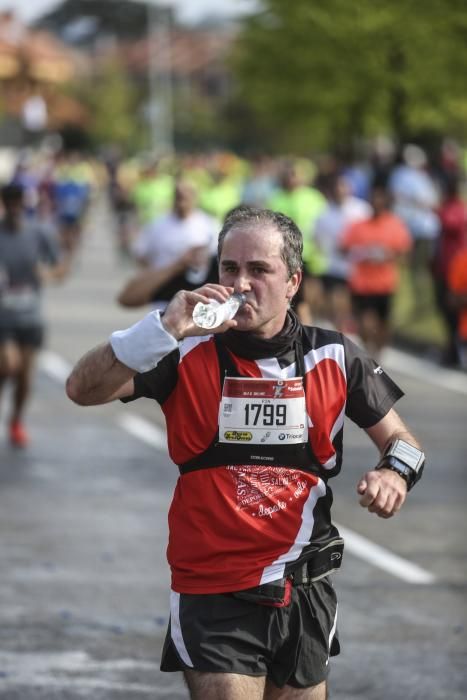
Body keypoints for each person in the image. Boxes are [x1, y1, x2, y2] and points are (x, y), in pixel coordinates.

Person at [66, 205, 425, 700]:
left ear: (293, 281)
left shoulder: (335, 355)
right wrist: (160, 330)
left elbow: (405, 445)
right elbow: (81, 389)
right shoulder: (180, 349)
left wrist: (394, 474)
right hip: (215, 589)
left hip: (305, 587)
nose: (241, 283)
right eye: (230, 268)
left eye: (259, 270)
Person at [0, 183, 69, 447]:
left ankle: (16, 420)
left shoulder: (39, 232)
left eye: (19, 202)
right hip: (3, 317)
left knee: (24, 377)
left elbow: (61, 267)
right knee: (8, 365)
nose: (15, 207)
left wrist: (47, 274)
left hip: (31, 316)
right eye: (10, 202)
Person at [341, 185, 412, 358]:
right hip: (362, 283)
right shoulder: (359, 225)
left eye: (380, 200)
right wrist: (360, 252)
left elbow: (405, 254)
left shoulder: (395, 225)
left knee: (383, 324)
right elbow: (343, 248)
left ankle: (378, 352)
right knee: (365, 323)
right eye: (373, 200)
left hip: (385, 284)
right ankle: (368, 349)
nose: (376, 203)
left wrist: (388, 254)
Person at [126, 180, 218, 311]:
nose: (182, 201)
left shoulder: (209, 225)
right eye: (179, 196)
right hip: (164, 294)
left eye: (186, 196)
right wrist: (155, 275)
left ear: (195, 197)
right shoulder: (158, 224)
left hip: (196, 295)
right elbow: (140, 253)